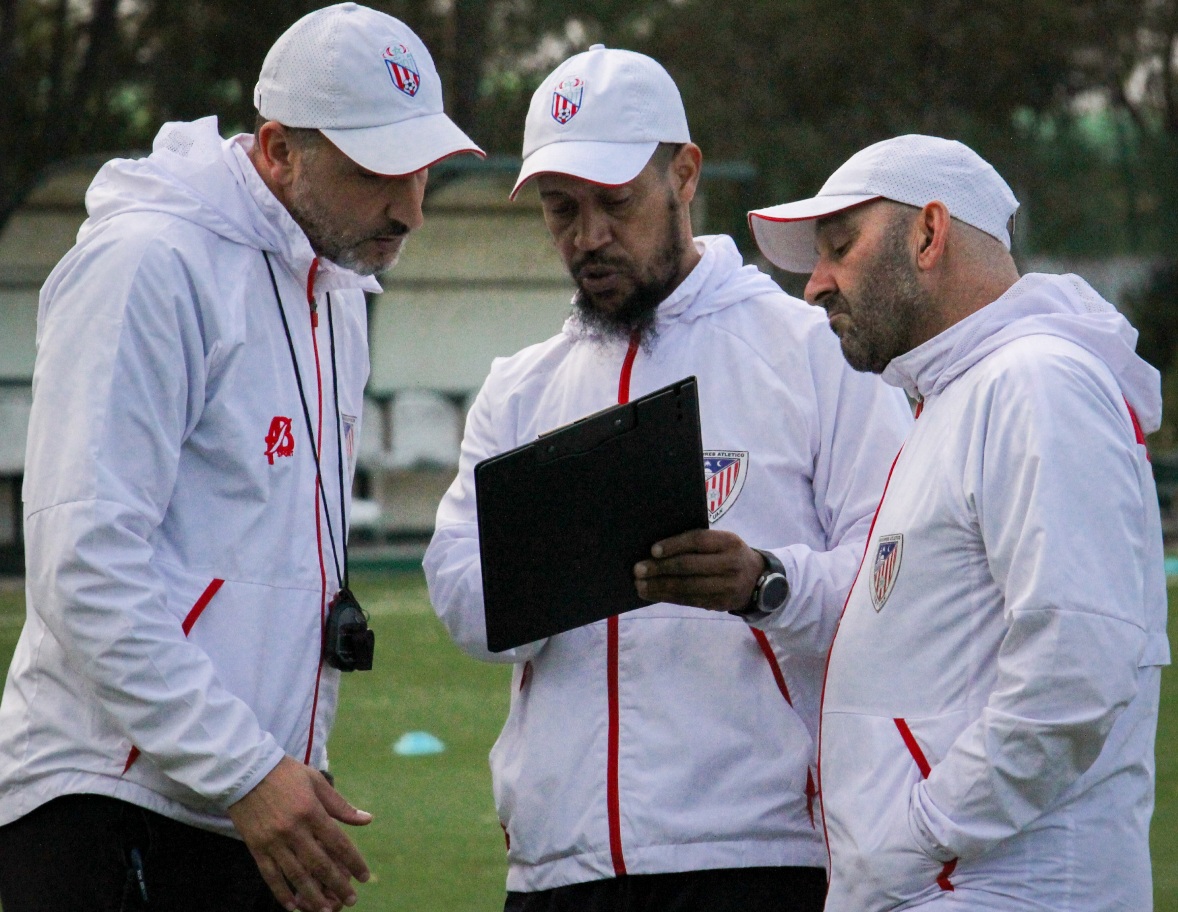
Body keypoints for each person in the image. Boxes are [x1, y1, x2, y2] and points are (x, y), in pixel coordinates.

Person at [0, 4, 482, 911]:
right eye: (378, 170)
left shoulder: (336, 284)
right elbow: (83, 565)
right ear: (278, 149)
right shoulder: (146, 264)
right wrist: (247, 768)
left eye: (421, 167)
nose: (412, 208)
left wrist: (274, 768)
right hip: (111, 800)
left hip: (246, 799)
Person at [424, 46, 912, 912]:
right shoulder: (520, 387)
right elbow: (461, 599)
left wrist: (765, 583)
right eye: (561, 208)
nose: (588, 236)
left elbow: (896, 585)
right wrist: (560, 561)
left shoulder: (812, 352)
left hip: (759, 855)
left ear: (684, 175)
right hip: (558, 865)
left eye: (616, 202)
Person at [747, 134, 1171, 911]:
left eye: (840, 247)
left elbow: (1076, 662)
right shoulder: (963, 395)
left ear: (929, 233)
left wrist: (923, 833)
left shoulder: (1036, 382)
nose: (814, 287)